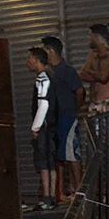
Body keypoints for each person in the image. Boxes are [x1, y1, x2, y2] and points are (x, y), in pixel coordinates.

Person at [41, 34, 84, 199]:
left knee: (72, 153)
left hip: (67, 118)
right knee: (57, 156)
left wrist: (73, 109)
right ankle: (59, 192)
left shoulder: (68, 71)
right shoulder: (47, 72)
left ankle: (79, 190)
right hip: (53, 120)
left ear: (51, 50)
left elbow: (79, 91)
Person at [22, 47, 57, 212]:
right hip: (51, 125)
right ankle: (51, 197)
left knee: (44, 162)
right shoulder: (50, 76)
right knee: (51, 162)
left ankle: (47, 198)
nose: (27, 62)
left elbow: (43, 103)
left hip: (44, 126)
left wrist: (35, 127)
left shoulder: (42, 79)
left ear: (36, 60)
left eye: (29, 59)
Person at [80, 24, 109, 114]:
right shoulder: (92, 54)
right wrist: (97, 74)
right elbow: (82, 74)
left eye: (90, 36)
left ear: (97, 37)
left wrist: (90, 72)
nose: (88, 39)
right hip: (94, 104)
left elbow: (104, 78)